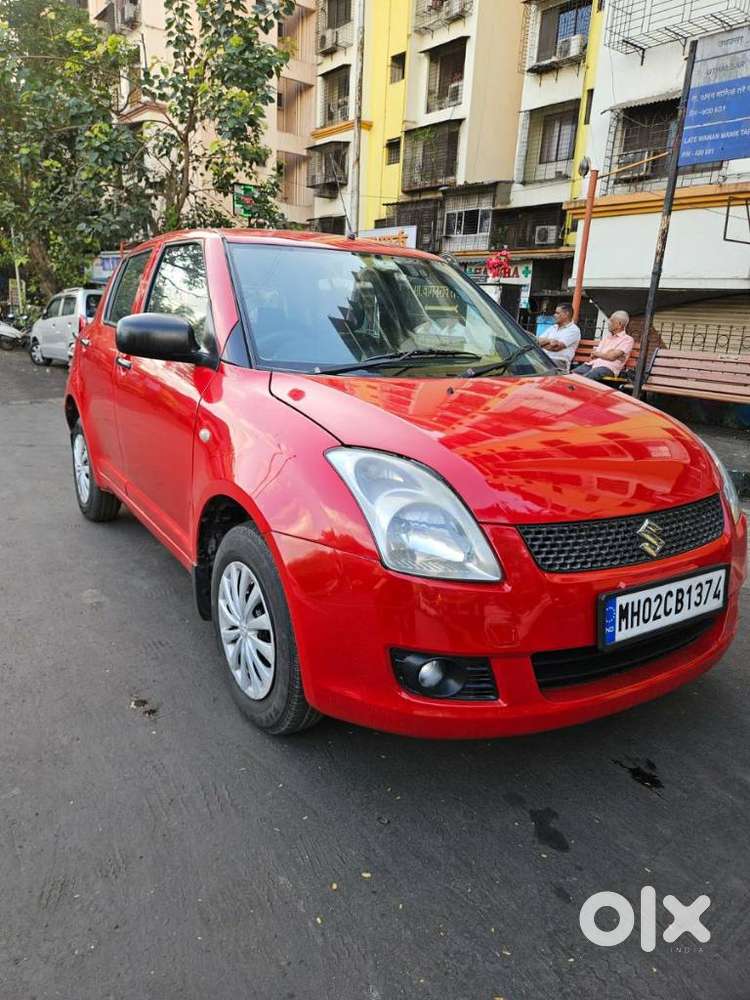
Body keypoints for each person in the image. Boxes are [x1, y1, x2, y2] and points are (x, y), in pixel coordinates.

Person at [572, 310, 634, 382]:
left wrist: (603, 354)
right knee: (571, 375)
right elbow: (593, 355)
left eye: (611, 321)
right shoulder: (607, 338)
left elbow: (611, 356)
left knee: (587, 377)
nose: (608, 323)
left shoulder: (627, 340)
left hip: (608, 368)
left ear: (619, 324)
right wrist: (607, 354)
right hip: (592, 365)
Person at [536, 302, 581, 372]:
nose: (554, 315)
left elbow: (556, 348)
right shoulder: (553, 327)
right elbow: (537, 341)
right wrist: (549, 340)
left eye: (557, 313)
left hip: (559, 361)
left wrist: (542, 344)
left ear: (566, 314)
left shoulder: (573, 330)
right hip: (543, 358)